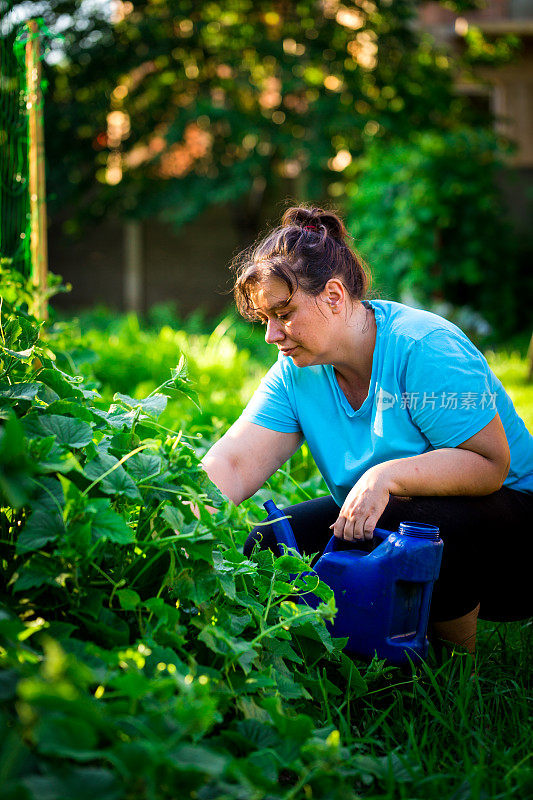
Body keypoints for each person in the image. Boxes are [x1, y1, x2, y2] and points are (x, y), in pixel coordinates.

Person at [202, 206, 533, 654]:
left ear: (334, 296)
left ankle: (454, 674)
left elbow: (489, 465)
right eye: (266, 320)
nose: (271, 335)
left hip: (514, 544)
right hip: (400, 521)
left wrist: (384, 477)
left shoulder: (423, 348)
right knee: (268, 542)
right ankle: (336, 651)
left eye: (284, 313)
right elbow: (235, 462)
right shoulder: (295, 373)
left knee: (411, 520)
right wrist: (180, 510)